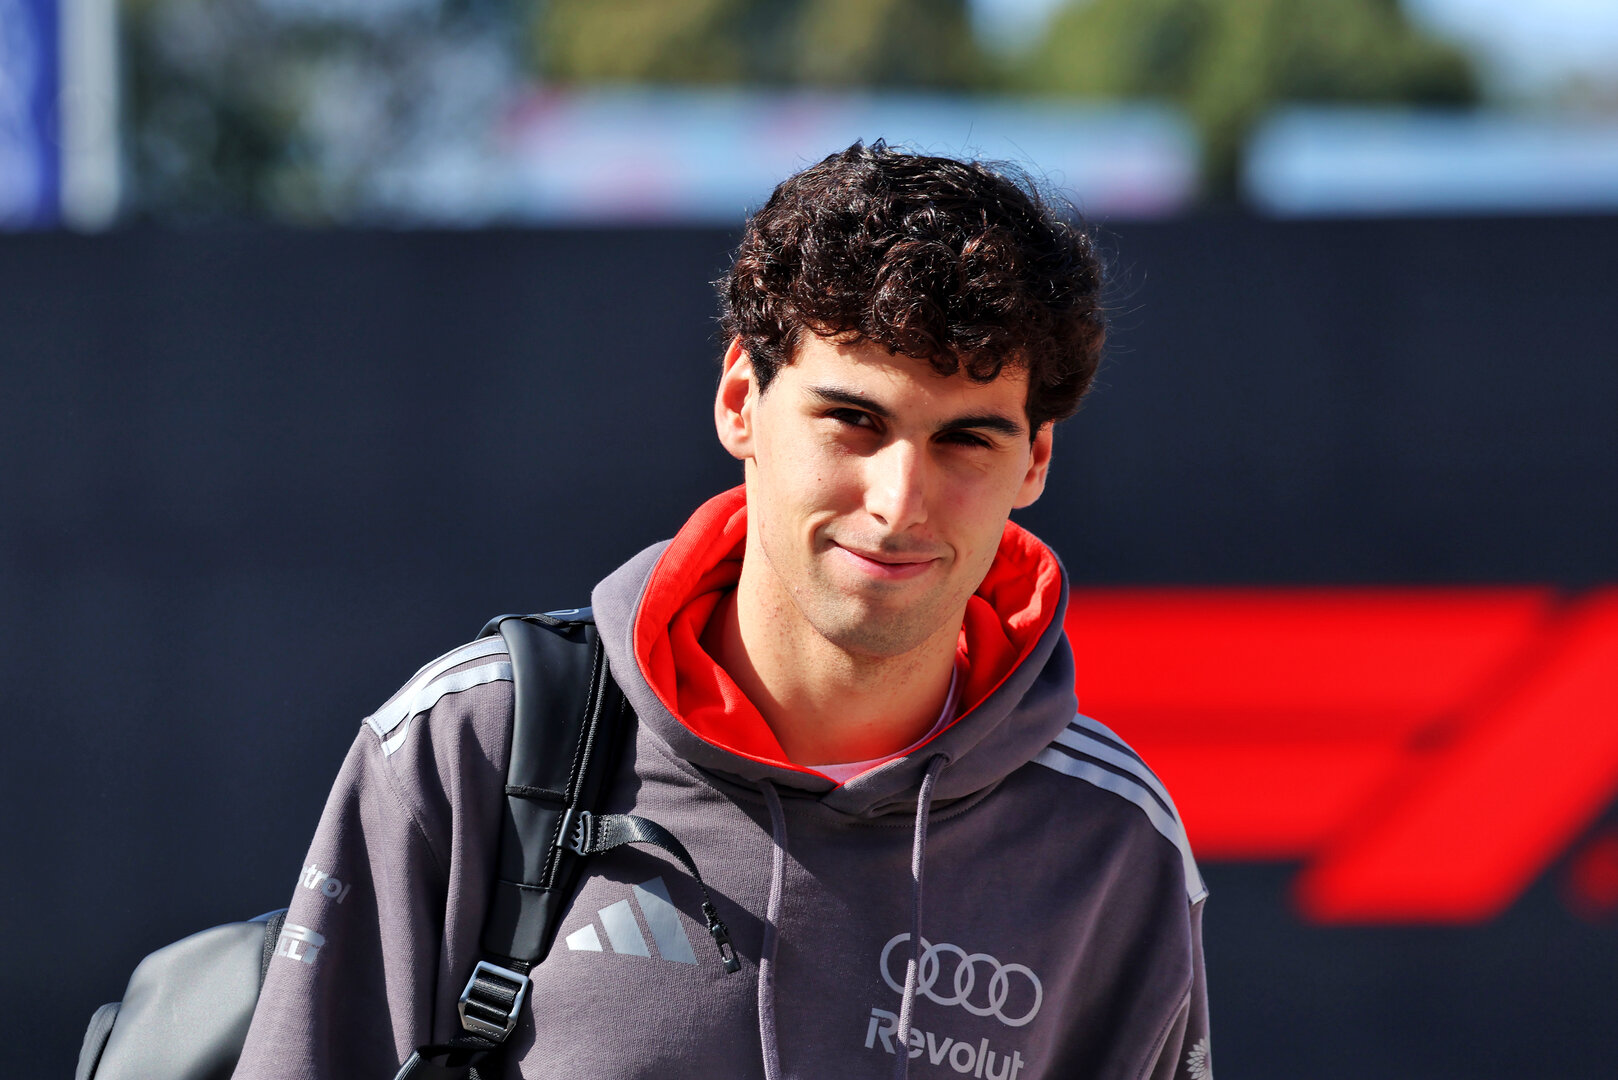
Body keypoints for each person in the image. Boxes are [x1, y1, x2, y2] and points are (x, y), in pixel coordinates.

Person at [233, 140, 1211, 1080]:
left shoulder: (1110, 842)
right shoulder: (470, 747)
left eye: (965, 440)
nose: (899, 499)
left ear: (1034, 462)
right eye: (852, 420)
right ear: (741, 400)